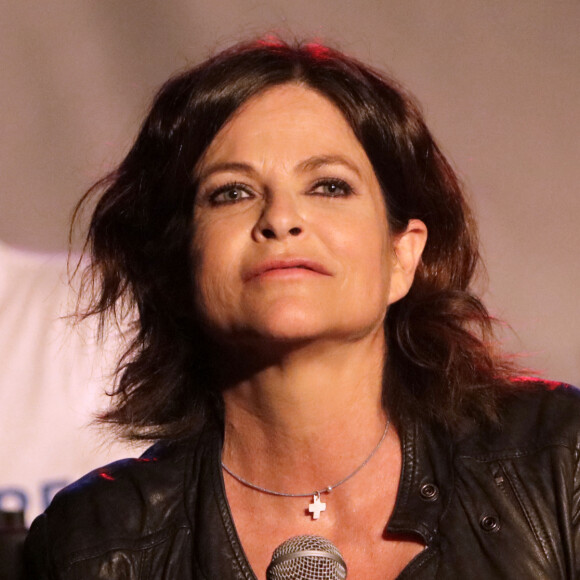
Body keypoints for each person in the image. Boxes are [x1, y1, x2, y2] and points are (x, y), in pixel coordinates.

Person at [24, 38, 580, 579]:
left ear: (402, 256)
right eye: (232, 192)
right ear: (176, 268)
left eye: (329, 187)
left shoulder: (558, 459)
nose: (281, 218)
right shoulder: (95, 545)